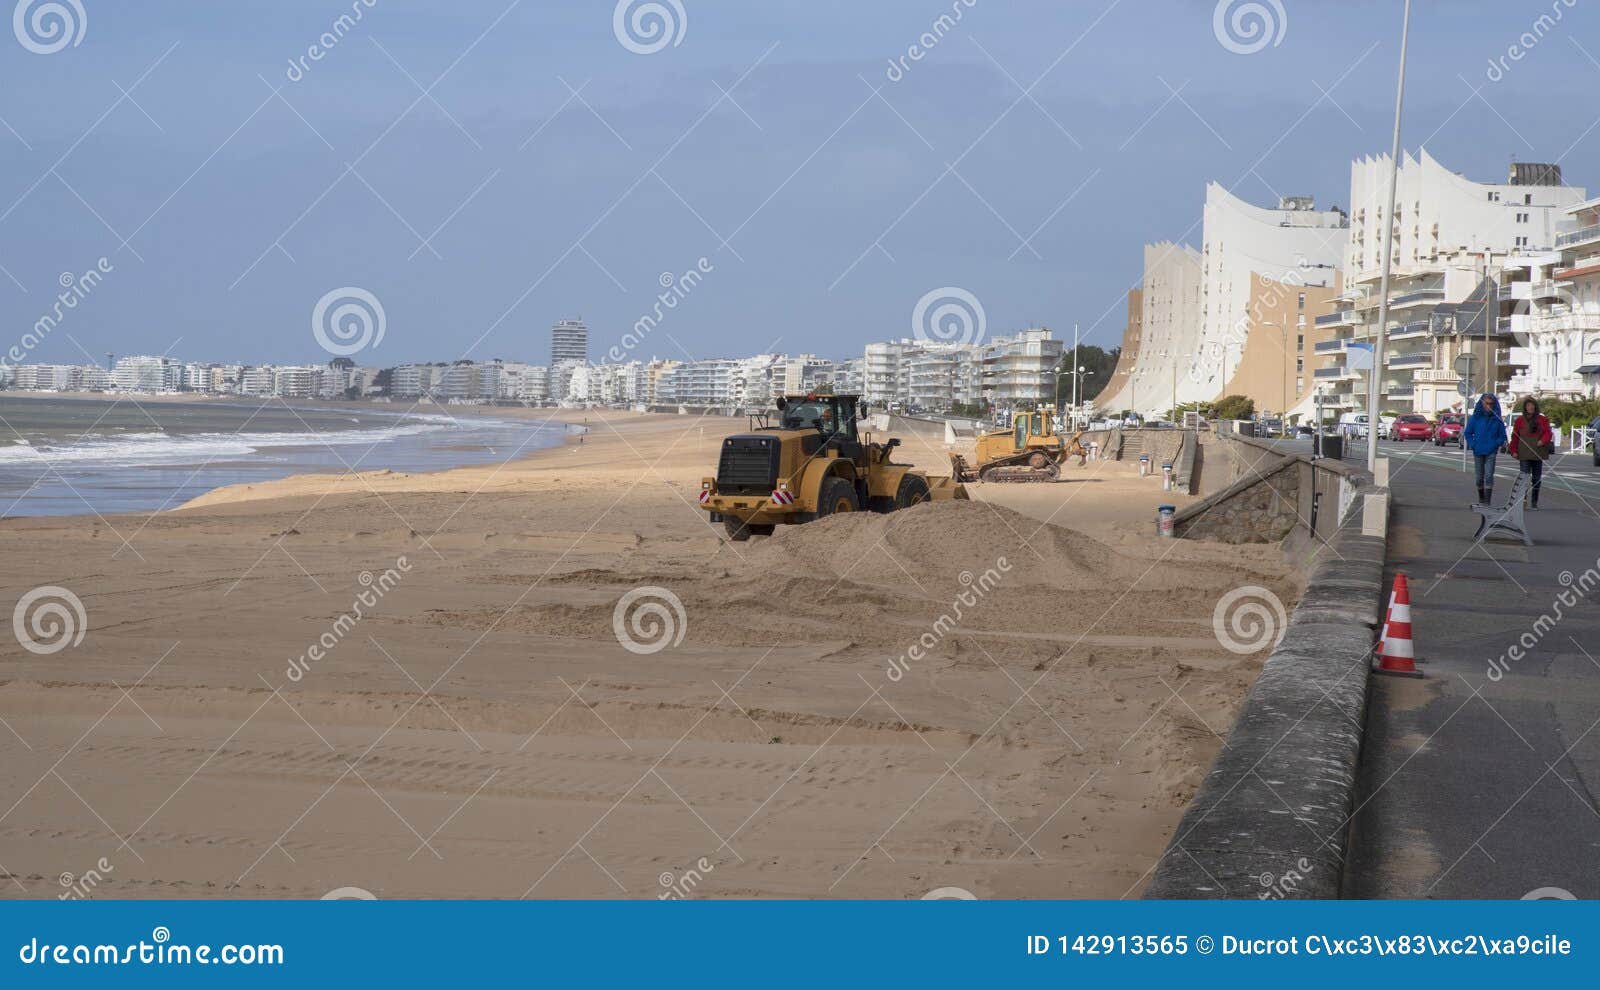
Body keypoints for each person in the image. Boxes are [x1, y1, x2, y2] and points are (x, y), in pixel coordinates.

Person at [1509, 396, 1554, 509]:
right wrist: (1513, 450)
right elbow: (1515, 436)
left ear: (1535, 406)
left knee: (1536, 478)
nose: (1530, 407)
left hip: (1538, 452)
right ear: (1525, 407)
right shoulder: (1519, 420)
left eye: (1532, 405)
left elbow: (1548, 433)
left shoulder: (1542, 419)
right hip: (1524, 452)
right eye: (1528, 405)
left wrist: (1542, 441)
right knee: (1524, 477)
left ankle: (1534, 502)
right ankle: (1523, 500)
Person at [1462, 392, 1506, 506]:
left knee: (1489, 475)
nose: (1489, 406)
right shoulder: (1476, 418)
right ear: (1482, 403)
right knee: (1479, 478)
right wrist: (1473, 444)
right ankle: (1481, 497)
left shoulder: (1497, 419)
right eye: (1486, 403)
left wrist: (1497, 444)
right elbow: (1468, 433)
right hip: (1478, 450)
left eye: (1491, 404)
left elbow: (1502, 435)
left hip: (1491, 451)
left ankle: (1487, 501)